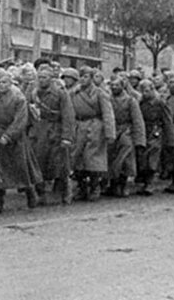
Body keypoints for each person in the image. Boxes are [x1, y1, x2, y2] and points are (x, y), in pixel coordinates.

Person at [0, 69, 41, 213]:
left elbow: (20, 120)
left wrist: (9, 135)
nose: (1, 85)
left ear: (10, 82)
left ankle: (31, 193)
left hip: (16, 138)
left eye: (4, 82)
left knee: (20, 168)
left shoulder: (18, 97)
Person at [29, 65, 76, 205]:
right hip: (38, 131)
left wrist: (67, 137)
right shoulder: (33, 92)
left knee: (60, 165)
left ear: (51, 79)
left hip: (55, 131)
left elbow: (68, 115)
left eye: (45, 77)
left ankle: (66, 191)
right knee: (38, 164)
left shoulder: (60, 93)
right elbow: (26, 109)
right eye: (40, 77)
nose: (41, 80)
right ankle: (41, 194)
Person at [70, 66, 116, 202]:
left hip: (95, 127)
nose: (83, 79)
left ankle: (95, 186)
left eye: (86, 77)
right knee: (77, 158)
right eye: (81, 76)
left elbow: (108, 114)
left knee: (93, 159)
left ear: (91, 78)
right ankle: (81, 187)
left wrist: (109, 133)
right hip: (79, 126)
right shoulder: (73, 93)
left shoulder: (100, 93)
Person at [105, 75, 146, 198]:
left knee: (126, 159)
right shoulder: (107, 99)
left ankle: (124, 185)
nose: (114, 87)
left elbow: (137, 120)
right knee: (111, 158)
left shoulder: (130, 101)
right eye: (112, 85)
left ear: (123, 87)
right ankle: (113, 184)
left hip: (126, 131)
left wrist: (140, 140)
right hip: (113, 130)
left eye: (117, 85)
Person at [136, 79, 172, 195]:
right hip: (143, 130)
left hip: (156, 130)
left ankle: (150, 183)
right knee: (142, 157)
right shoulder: (140, 102)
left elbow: (167, 120)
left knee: (153, 157)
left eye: (147, 91)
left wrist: (170, 138)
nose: (144, 93)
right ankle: (145, 181)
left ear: (152, 89)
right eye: (142, 91)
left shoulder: (160, 102)